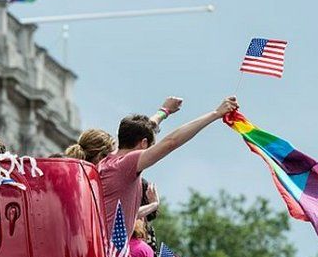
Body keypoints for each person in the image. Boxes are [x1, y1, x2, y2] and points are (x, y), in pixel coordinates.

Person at [98, 95, 238, 237]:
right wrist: (216, 114)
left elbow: (143, 129)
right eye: (150, 147)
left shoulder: (107, 161)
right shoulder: (126, 164)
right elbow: (170, 142)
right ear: (144, 144)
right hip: (110, 253)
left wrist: (164, 111)